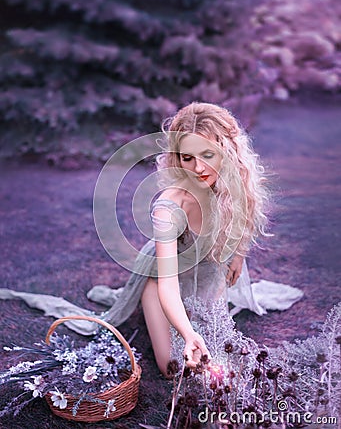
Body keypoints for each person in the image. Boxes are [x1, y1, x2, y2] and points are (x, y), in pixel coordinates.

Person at [0, 102, 303, 376]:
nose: (198, 168)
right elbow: (168, 283)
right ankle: (149, 310)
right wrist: (187, 333)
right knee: (174, 367)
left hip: (209, 276)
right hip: (162, 280)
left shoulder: (236, 188)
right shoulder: (170, 206)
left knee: (218, 357)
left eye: (208, 155)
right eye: (187, 158)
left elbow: (243, 220)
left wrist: (238, 254)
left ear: (227, 151)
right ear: (176, 158)